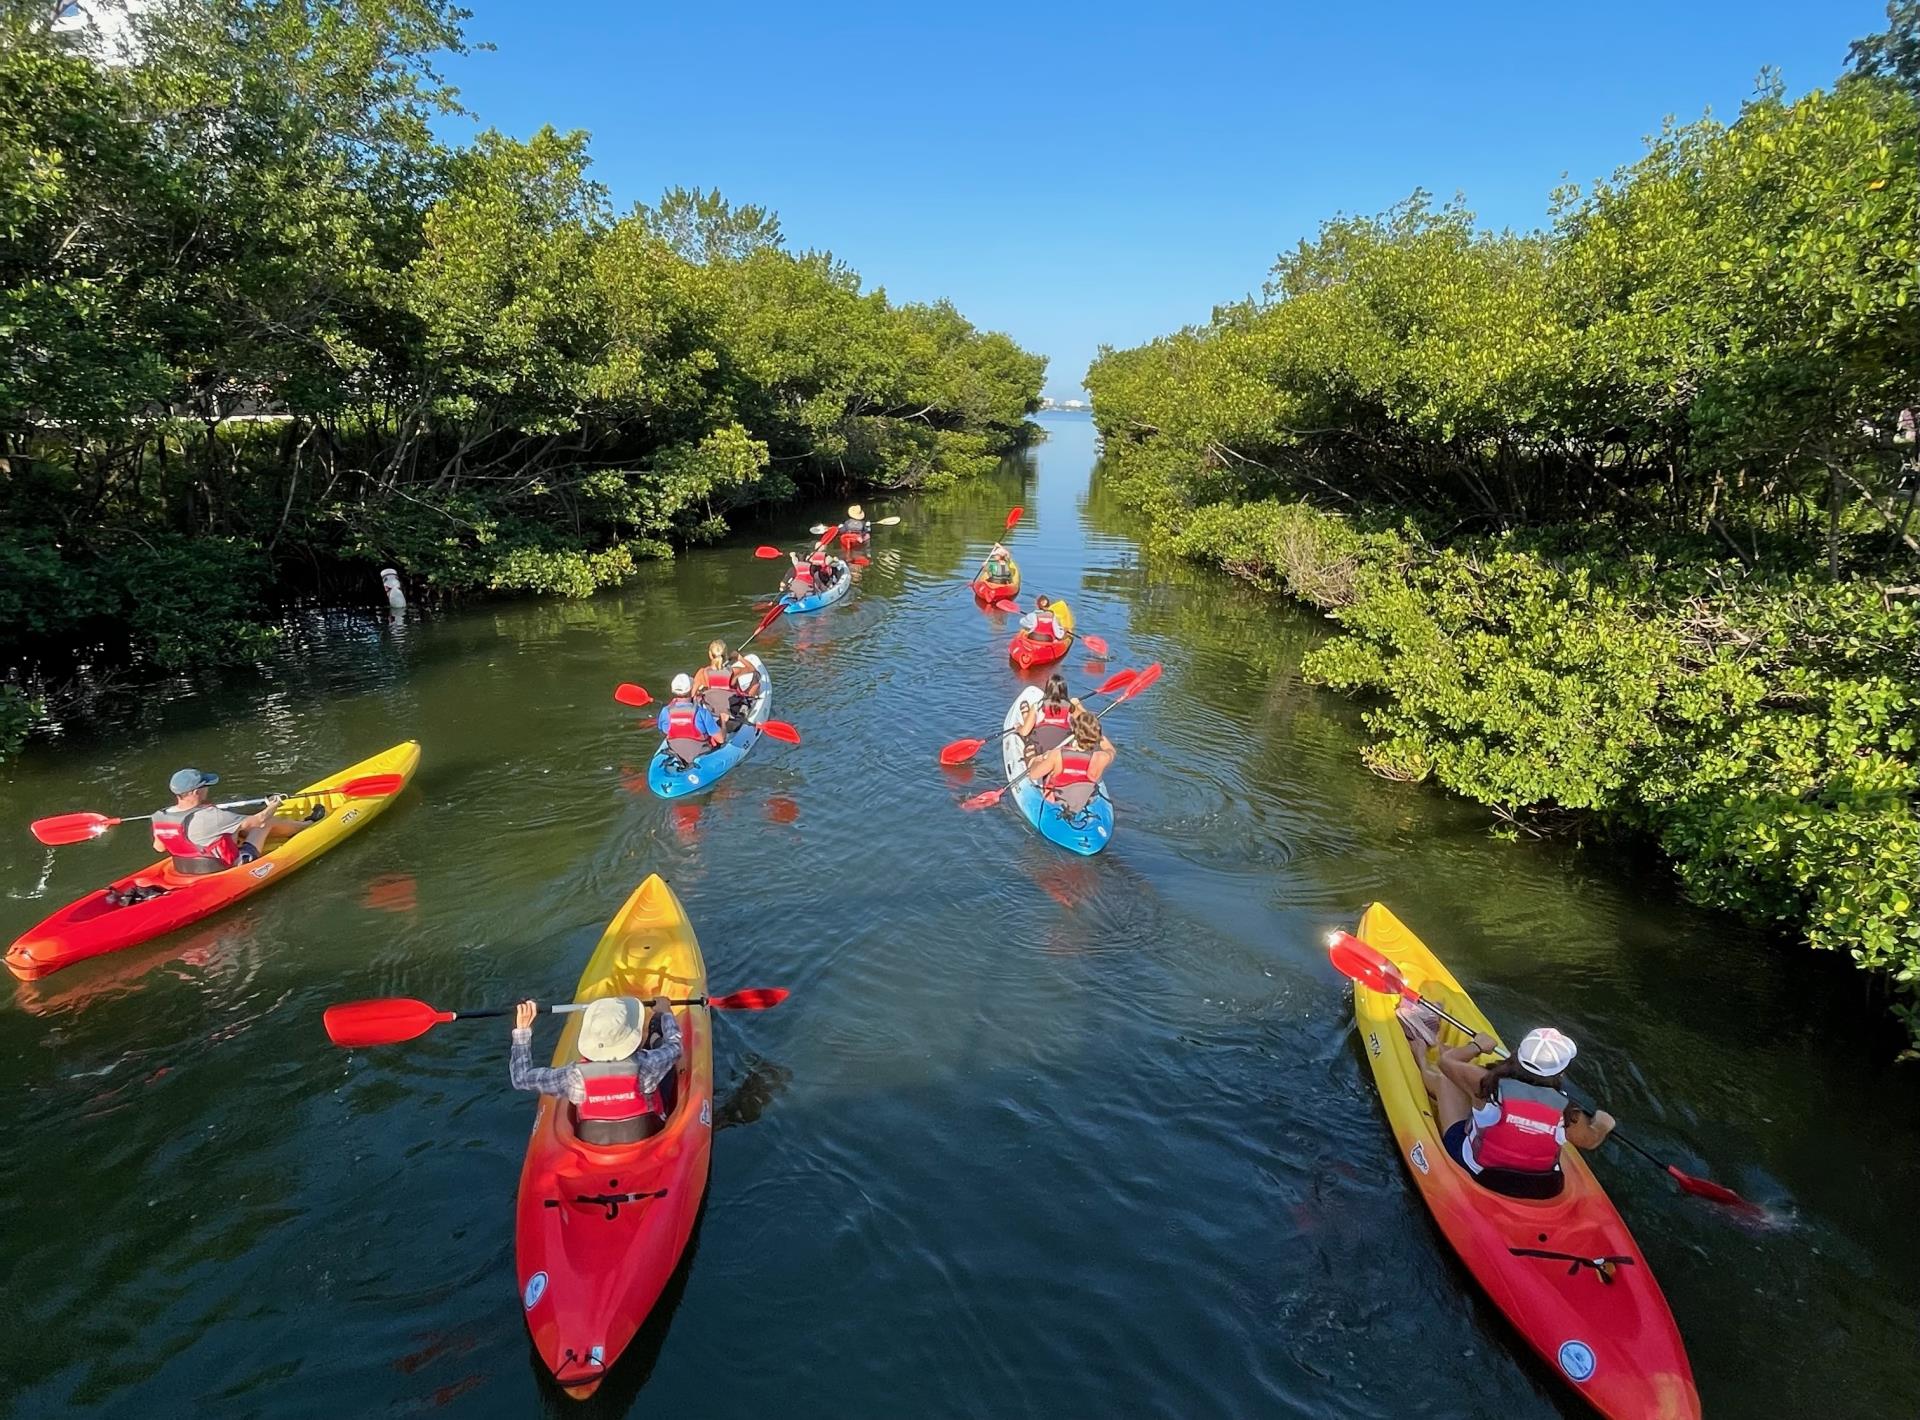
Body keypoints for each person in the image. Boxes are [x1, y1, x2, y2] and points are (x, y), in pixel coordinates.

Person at [1426, 1026, 1615, 1200]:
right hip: (1543, 1187)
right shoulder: (1567, 1110)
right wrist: (1603, 1123)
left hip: (1481, 1173)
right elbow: (1590, 1140)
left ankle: (1421, 1060)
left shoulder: (1485, 1081)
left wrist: (1478, 1046)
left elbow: (1446, 1061)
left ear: (1516, 1055)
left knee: (1447, 1081)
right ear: (1561, 1073)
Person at [510, 994, 683, 1145]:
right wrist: (665, 1013)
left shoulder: (573, 1076)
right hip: (645, 1133)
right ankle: (654, 1029)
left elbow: (521, 1078)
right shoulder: (648, 1063)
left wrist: (522, 1031)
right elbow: (675, 1046)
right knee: (660, 1046)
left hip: (593, 1140)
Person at [149, 767, 316, 876]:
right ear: (195, 792)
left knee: (235, 828)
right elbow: (259, 819)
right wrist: (275, 803)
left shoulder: (159, 816)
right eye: (205, 786)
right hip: (224, 868)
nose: (208, 788)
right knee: (267, 822)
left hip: (184, 869)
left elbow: (159, 847)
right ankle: (307, 825)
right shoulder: (211, 815)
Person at [1026, 707, 1114, 815]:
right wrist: (1095, 732)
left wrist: (1037, 760)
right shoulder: (1102, 758)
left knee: (1035, 761)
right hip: (1084, 801)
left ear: (1074, 732)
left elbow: (1033, 775)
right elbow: (1110, 750)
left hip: (1057, 802)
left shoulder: (1058, 755)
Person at [658, 672, 725, 762]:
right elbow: (720, 739)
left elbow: (665, 731)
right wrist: (723, 721)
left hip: (676, 753)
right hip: (700, 754)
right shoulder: (702, 713)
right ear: (691, 689)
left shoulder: (665, 711)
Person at [1017, 673, 1080, 757]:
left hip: (1040, 749)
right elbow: (1089, 722)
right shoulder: (1071, 709)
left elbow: (1024, 732)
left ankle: (1026, 715)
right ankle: (1026, 715)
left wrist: (1018, 728)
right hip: (1061, 750)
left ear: (1047, 689)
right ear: (1064, 690)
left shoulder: (1038, 706)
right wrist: (1078, 705)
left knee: (1028, 731)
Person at [694, 641, 737, 724]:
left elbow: (692, 695)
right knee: (756, 678)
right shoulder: (732, 671)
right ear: (726, 655)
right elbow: (751, 669)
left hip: (710, 710)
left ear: (710, 655)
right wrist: (739, 657)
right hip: (728, 711)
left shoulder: (702, 672)